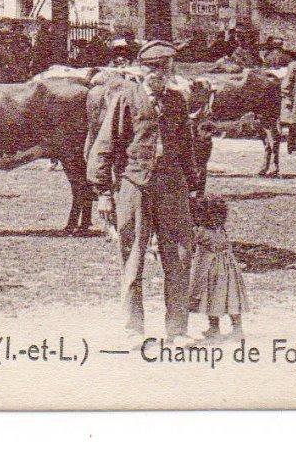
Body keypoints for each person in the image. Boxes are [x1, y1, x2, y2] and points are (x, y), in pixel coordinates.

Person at [89, 40, 199, 346]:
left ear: (171, 70)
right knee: (133, 258)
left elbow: (187, 148)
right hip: (135, 186)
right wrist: (102, 193)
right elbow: (105, 146)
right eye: (152, 68)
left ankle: (177, 330)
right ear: (141, 69)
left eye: (164, 68)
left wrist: (193, 188)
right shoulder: (126, 98)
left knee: (179, 258)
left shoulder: (177, 102)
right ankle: (133, 330)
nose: (157, 74)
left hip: (172, 189)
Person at [188, 196, 248, 343]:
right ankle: (237, 329)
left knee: (211, 298)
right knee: (231, 299)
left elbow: (188, 243)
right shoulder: (221, 230)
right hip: (229, 269)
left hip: (210, 269)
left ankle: (215, 329)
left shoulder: (200, 232)